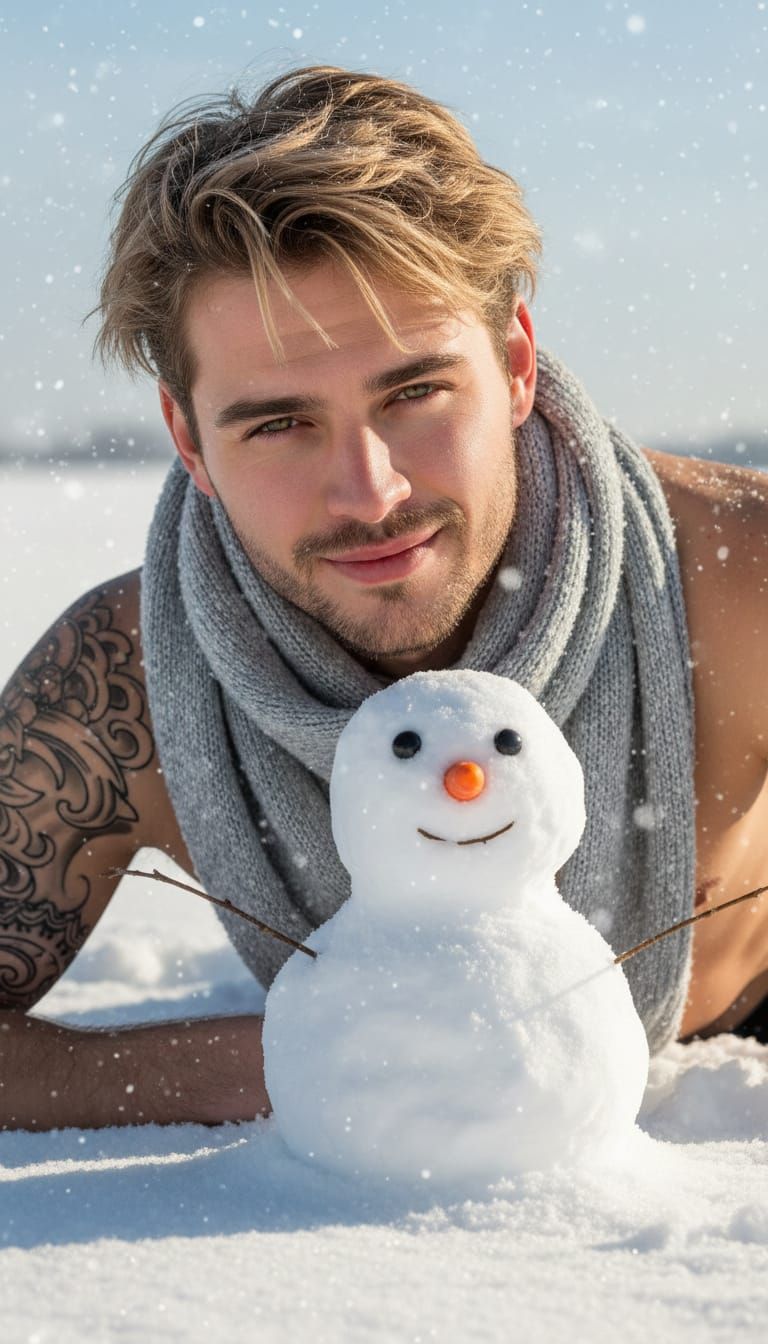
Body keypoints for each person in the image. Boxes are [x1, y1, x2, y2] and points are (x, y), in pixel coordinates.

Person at [1, 66, 766, 1133]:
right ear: (190, 440)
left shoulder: (742, 583)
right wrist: (276, 1064)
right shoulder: (126, 684)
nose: (372, 493)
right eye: (278, 425)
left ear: (514, 364)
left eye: (413, 393)